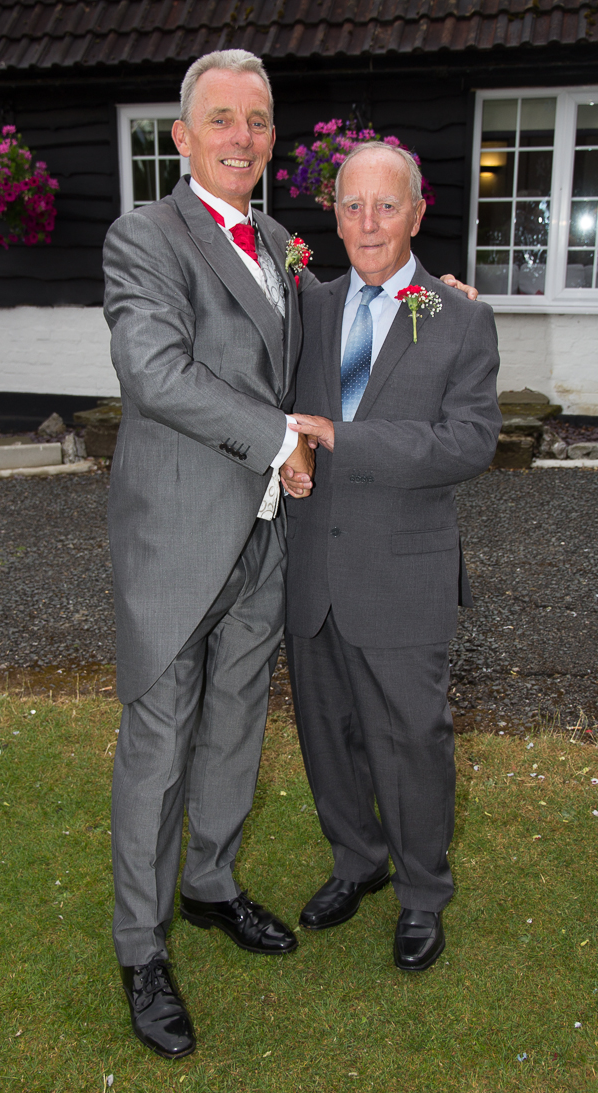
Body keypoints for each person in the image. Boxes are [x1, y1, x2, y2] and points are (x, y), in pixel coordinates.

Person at [103, 49, 477, 1058]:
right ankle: (141, 947)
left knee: (233, 725)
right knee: (159, 745)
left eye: (258, 120)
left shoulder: (278, 244)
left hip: (268, 538)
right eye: (221, 118)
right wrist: (279, 439)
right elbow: (154, 370)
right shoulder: (144, 237)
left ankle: (210, 884)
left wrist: (438, 301)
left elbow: (362, 318)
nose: (242, 137)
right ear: (182, 137)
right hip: (177, 535)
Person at [282, 142, 501, 974]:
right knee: (327, 732)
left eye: (385, 205)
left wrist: (345, 438)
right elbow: (273, 403)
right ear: (333, 215)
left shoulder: (459, 316)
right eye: (352, 205)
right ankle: (357, 860)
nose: (368, 223)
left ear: (416, 212)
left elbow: (470, 441)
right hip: (314, 568)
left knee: (413, 741)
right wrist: (293, 452)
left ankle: (421, 892)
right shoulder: (307, 306)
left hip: (405, 572)